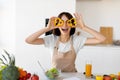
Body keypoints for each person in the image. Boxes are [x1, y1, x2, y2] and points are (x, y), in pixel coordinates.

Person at [25, 12, 105, 72]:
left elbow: (102, 39)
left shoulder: (77, 40)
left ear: (72, 24)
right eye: (61, 22)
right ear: (57, 24)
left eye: (68, 22)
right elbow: (29, 40)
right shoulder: (51, 39)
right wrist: (47, 28)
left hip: (72, 77)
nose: (65, 25)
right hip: (55, 76)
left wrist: (83, 27)